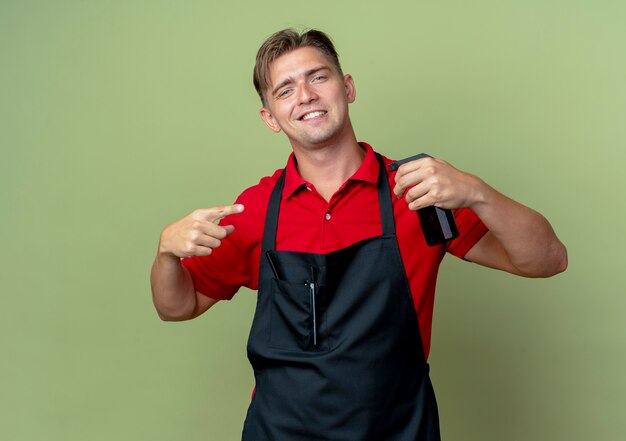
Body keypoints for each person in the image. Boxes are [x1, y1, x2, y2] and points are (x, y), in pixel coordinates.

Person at [150, 28, 567, 441]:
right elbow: (177, 306)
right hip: (279, 432)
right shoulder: (257, 209)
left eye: (318, 77)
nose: (306, 96)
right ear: (270, 118)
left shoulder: (418, 192)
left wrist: (477, 192)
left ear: (347, 87)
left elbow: (548, 260)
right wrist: (166, 254)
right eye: (285, 90)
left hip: (398, 430)